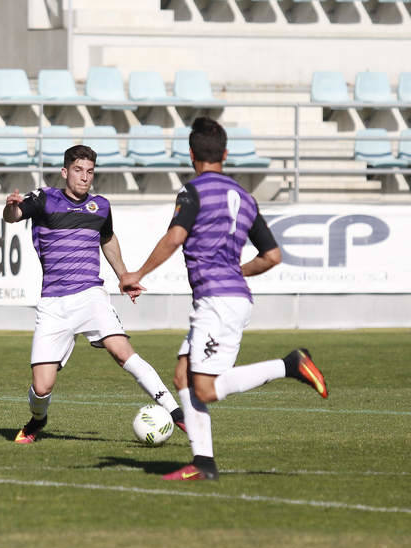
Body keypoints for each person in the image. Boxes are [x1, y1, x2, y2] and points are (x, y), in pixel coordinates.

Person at [119, 117, 328, 481]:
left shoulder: (193, 191)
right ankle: (203, 463)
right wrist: (238, 271)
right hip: (230, 295)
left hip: (217, 301)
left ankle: (291, 365)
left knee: (206, 387)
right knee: (184, 375)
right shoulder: (245, 198)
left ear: (191, 154)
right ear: (226, 154)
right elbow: (272, 256)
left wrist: (136, 274)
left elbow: (175, 237)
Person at [3, 144, 185, 444]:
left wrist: (124, 275)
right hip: (53, 303)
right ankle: (38, 421)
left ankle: (176, 414)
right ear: (65, 172)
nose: (84, 177)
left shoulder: (100, 206)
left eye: (89, 171)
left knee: (122, 351)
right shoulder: (45, 198)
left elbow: (107, 238)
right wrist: (11, 206)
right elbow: (14, 215)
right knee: (42, 387)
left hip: (91, 295)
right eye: (78, 170)